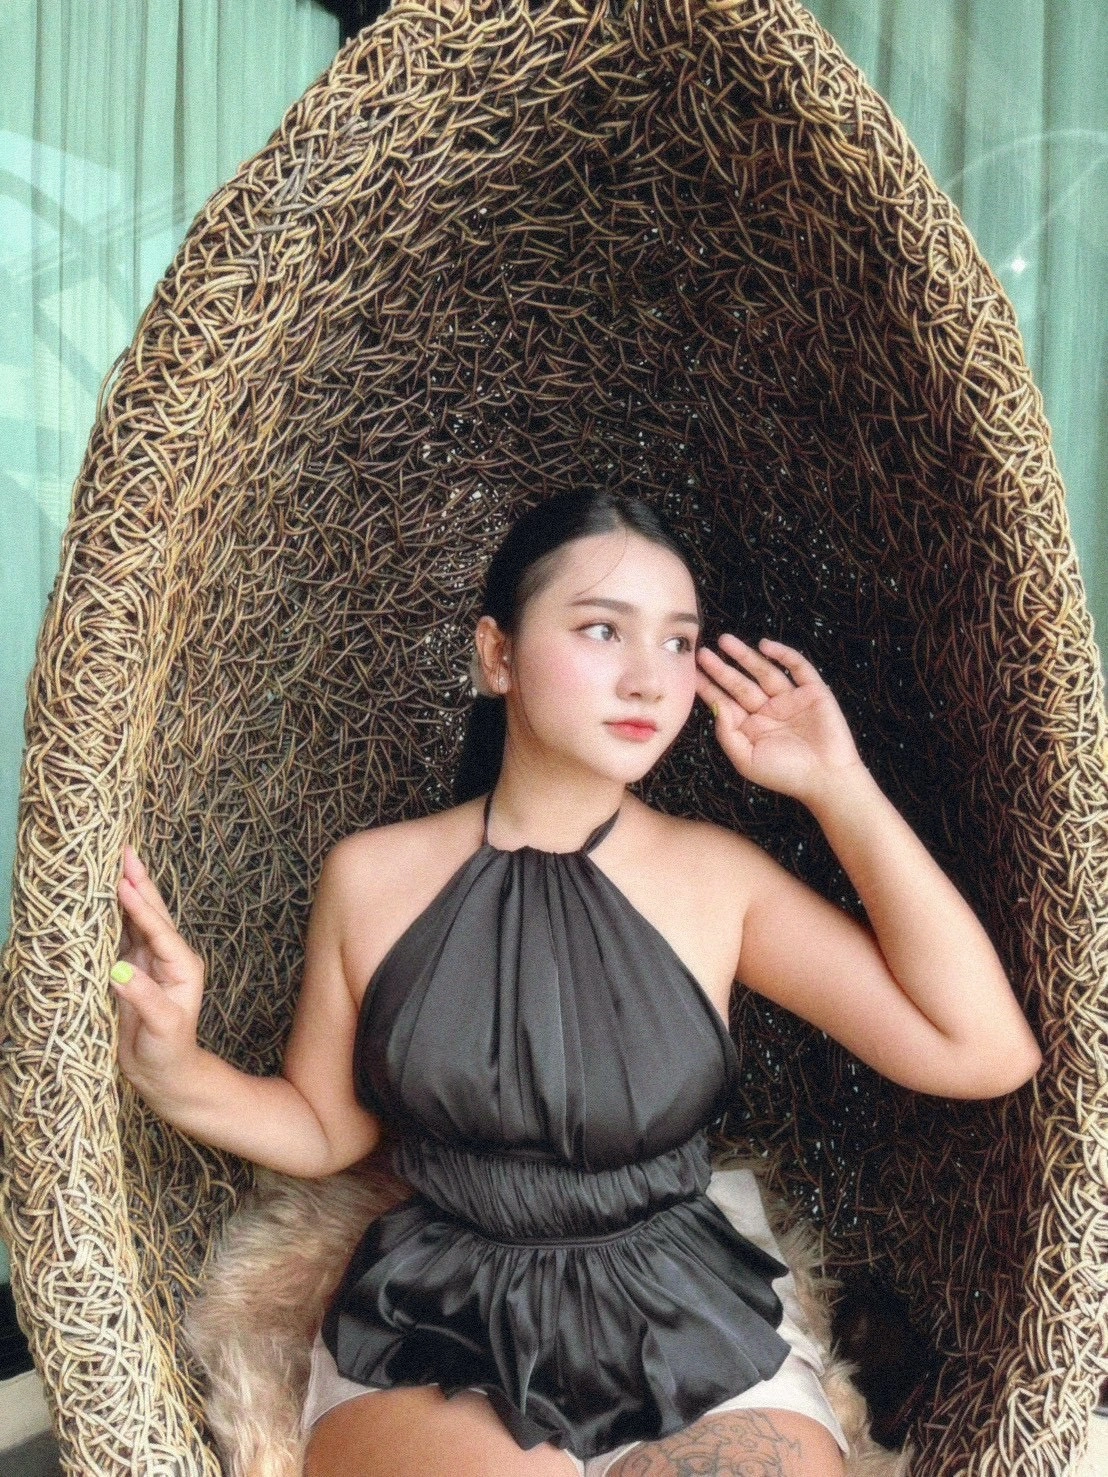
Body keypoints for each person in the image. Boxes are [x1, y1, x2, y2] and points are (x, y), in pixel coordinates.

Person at [110, 489, 1043, 1477]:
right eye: (603, 629)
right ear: (497, 654)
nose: (648, 678)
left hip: (685, 1307)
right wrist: (174, 1067)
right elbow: (325, 1127)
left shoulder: (716, 879)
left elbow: (981, 1050)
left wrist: (836, 783)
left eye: (678, 642)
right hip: (440, 1315)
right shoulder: (372, 875)